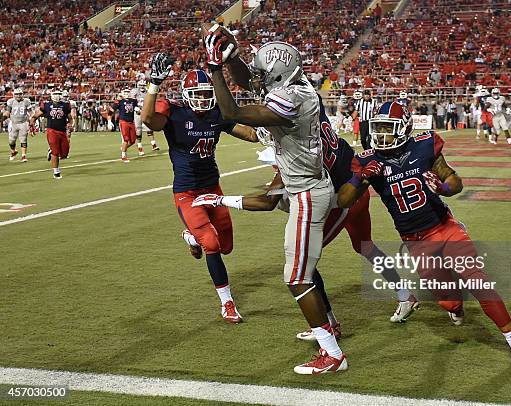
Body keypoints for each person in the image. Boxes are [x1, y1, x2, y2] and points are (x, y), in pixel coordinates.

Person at [337, 101, 511, 370]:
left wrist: (444, 188)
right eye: (379, 129)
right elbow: (343, 201)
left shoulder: (424, 146)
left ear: (405, 128)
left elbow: (454, 180)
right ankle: (456, 309)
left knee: (479, 283)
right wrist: (358, 179)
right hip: (415, 240)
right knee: (448, 300)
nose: (382, 135)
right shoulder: (369, 160)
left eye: (388, 129)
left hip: (444, 227)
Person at [193, 95, 420, 332]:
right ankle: (405, 294)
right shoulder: (313, 117)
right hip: (355, 188)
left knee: (304, 263)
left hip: (345, 199)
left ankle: (329, 324)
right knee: (365, 246)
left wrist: (220, 199)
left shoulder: (296, 149)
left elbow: (267, 202)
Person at [203, 26, 347, 374]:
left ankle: (333, 354)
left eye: (263, 74)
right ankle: (329, 328)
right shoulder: (294, 88)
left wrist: (214, 69)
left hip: (308, 193)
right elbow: (250, 83)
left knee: (296, 277)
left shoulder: (290, 100)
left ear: (278, 76)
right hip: (307, 188)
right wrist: (233, 56)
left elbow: (233, 112)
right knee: (304, 270)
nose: (257, 78)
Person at [141, 61, 259, 324]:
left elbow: (250, 135)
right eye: (198, 94)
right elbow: (149, 119)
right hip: (187, 191)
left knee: (226, 246)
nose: (203, 99)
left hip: (213, 188)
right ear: (186, 95)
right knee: (213, 244)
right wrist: (154, 84)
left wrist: (269, 128)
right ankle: (227, 303)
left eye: (207, 94)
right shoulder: (175, 113)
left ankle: (191, 238)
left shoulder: (217, 114)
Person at [29, 90, 74, 179]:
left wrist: (70, 124)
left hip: (62, 131)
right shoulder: (47, 105)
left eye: (59, 94)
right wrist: (32, 124)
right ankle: (56, 172)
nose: (57, 96)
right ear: (52, 95)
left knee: (64, 154)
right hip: (52, 131)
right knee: (55, 153)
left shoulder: (66, 105)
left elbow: (70, 118)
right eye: (56, 94)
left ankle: (51, 150)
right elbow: (35, 116)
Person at [4, 88, 33, 162]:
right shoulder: (11, 101)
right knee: (11, 141)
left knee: (23, 139)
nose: (18, 96)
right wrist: (3, 117)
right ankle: (13, 151)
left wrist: (32, 120)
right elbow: (7, 112)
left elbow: (30, 112)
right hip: (13, 123)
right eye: (17, 94)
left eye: (20, 94)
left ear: (22, 94)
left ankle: (23, 156)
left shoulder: (26, 101)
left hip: (23, 122)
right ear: (14, 95)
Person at [134, 79, 160, 155]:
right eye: (141, 85)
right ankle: (140, 147)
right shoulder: (135, 92)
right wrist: (135, 107)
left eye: (143, 85)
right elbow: (131, 102)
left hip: (145, 111)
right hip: (137, 112)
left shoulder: (147, 92)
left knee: (149, 128)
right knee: (138, 130)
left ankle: (153, 144)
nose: (142, 87)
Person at [113, 89, 139, 162]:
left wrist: (138, 110)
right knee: (126, 139)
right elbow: (112, 110)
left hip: (131, 122)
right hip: (123, 121)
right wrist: (109, 121)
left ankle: (123, 148)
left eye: (128, 92)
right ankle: (123, 156)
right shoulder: (120, 101)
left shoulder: (133, 101)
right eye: (125, 92)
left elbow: (137, 109)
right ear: (122, 93)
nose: (127, 93)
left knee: (133, 141)